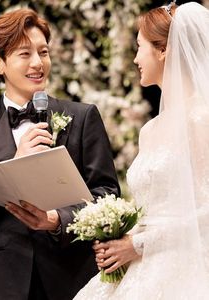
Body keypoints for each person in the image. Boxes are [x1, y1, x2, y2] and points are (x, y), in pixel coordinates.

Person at [0, 8, 120, 300]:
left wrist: (56, 220)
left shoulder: (81, 117)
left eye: (44, 52)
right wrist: (14, 164)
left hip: (71, 271)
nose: (38, 63)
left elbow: (107, 195)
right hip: (7, 276)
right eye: (25, 54)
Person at [73, 1, 209, 299]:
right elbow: (152, 209)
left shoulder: (201, 119)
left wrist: (139, 244)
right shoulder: (149, 131)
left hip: (185, 266)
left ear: (163, 50)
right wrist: (120, 240)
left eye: (139, 46)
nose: (135, 58)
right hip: (140, 264)